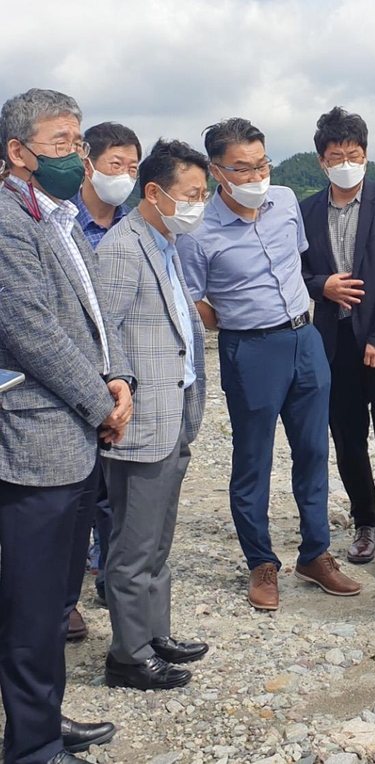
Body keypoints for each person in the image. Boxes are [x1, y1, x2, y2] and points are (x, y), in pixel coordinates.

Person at [178, 118, 360, 611]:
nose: (257, 175)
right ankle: (261, 561)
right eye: (243, 168)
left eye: (262, 163)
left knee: (312, 452)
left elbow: (296, 262)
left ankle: (316, 554)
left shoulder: (283, 202)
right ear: (219, 172)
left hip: (306, 339)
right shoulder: (198, 232)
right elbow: (192, 297)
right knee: (254, 460)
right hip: (251, 350)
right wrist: (236, 319)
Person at [0, 88, 131, 764]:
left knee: (55, 598)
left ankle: (44, 719)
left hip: (75, 433)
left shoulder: (58, 216)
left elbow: (92, 313)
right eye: (61, 143)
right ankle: (30, 746)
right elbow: (31, 331)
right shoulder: (6, 221)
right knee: (29, 608)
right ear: (18, 151)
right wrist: (99, 401)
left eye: (78, 142)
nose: (75, 155)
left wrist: (118, 379)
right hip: (35, 438)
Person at [95, 139, 211, 691]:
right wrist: (121, 395)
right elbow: (106, 334)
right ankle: (128, 654)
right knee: (133, 543)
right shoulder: (123, 247)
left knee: (159, 538)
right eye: (192, 194)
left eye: (205, 194)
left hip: (176, 411)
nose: (199, 204)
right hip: (142, 420)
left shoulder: (164, 243)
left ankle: (155, 632)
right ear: (155, 192)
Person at [300, 108, 375, 586]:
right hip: (333, 340)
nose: (346, 162)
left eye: (354, 154)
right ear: (322, 161)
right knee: (347, 438)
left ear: (366, 155)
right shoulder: (306, 210)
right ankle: (364, 523)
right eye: (336, 156)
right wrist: (321, 284)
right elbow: (295, 272)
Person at [70, 121, 141, 639]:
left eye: (133, 168)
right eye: (115, 164)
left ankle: (110, 580)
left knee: (116, 494)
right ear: (87, 164)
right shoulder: (59, 223)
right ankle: (64, 594)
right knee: (73, 493)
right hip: (69, 378)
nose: (125, 176)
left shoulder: (137, 227)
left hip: (121, 379)